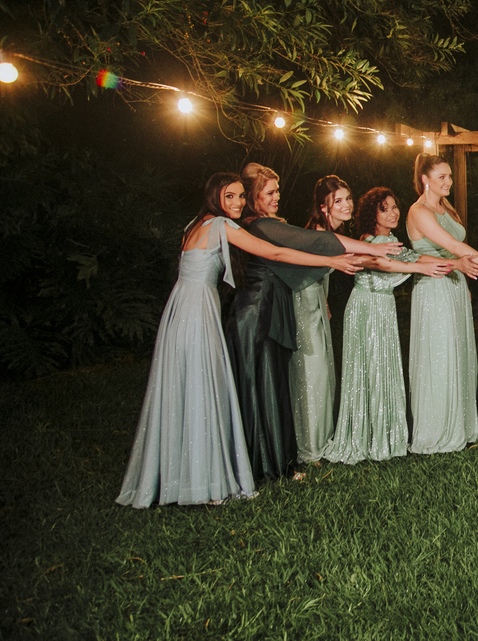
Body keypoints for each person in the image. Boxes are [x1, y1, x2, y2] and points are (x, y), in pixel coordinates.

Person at [117, 173, 364, 508]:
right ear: (214, 196)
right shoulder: (221, 225)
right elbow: (276, 254)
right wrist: (330, 260)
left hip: (180, 308)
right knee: (203, 386)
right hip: (198, 309)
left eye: (240, 196)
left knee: (187, 386)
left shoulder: (194, 225)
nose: (237, 202)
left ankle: (185, 474)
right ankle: (204, 480)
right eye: (229, 196)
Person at [224, 163, 401, 481]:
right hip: (265, 309)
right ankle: (302, 449)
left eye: (278, 190)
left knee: (289, 381)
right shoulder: (260, 225)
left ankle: (290, 452)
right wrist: (367, 248)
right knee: (300, 375)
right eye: (270, 192)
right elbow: (305, 247)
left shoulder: (266, 224)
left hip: (281, 306)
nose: (277, 196)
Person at [322, 188, 454, 465]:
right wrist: (421, 269)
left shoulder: (391, 239)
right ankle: (367, 435)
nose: (393, 213)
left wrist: (453, 263)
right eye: (385, 209)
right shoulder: (368, 241)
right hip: (366, 307)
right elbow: (385, 265)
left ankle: (385, 434)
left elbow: (413, 257)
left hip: (384, 306)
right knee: (369, 367)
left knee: (384, 367)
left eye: (395, 207)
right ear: (373, 214)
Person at [406, 154, 478, 455]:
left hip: (456, 286)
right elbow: (454, 247)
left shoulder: (445, 207)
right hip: (433, 287)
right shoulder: (418, 211)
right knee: (439, 356)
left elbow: (457, 251)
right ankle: (437, 430)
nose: (449, 181)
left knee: (459, 353)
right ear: (425, 179)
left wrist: (464, 283)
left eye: (449, 176)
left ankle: (460, 424)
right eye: (442, 177)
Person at [288, 175, 353, 465]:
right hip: (303, 303)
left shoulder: (328, 230)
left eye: (348, 198)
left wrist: (324, 299)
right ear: (324, 207)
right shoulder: (319, 233)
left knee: (323, 370)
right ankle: (310, 447)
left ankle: (321, 439)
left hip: (316, 299)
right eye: (338, 201)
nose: (346, 205)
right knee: (311, 370)